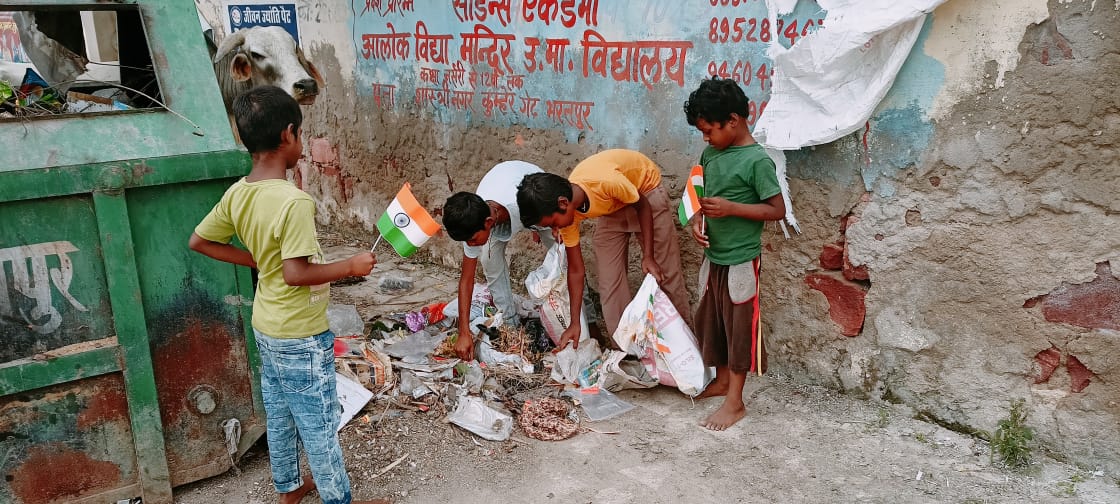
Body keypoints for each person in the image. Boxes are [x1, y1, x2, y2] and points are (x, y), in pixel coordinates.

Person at [189, 85, 387, 504]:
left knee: (280, 415)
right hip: (300, 333)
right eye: (301, 135)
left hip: (267, 326)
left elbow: (200, 241)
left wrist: (257, 262)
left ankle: (290, 488)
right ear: (289, 135)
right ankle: (338, 499)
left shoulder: (239, 193)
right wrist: (350, 267)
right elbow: (297, 273)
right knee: (319, 424)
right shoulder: (294, 202)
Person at [682, 78, 786, 431]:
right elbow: (703, 193)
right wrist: (699, 219)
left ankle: (735, 402)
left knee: (740, 329)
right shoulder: (711, 154)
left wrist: (731, 208)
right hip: (715, 256)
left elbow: (776, 211)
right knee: (713, 322)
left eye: (709, 130)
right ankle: (723, 380)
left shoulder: (757, 160)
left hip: (742, 258)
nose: (706, 139)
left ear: (733, 120)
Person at [516, 149, 692, 351]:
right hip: (612, 207)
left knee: (664, 273)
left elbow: (642, 205)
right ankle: (626, 352)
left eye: (553, 223)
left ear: (563, 203)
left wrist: (649, 256)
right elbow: (576, 270)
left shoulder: (606, 182)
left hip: (644, 193)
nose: (555, 230)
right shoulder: (568, 213)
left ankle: (684, 348)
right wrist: (575, 323)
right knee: (610, 285)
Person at [442, 160, 546, 361]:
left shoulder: (526, 204)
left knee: (562, 258)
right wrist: (464, 332)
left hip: (539, 198)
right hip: (505, 188)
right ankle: (510, 324)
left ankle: (586, 321)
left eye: (472, 240)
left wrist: (540, 226)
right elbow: (466, 279)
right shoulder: (472, 220)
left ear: (488, 223)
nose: (470, 244)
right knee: (489, 259)